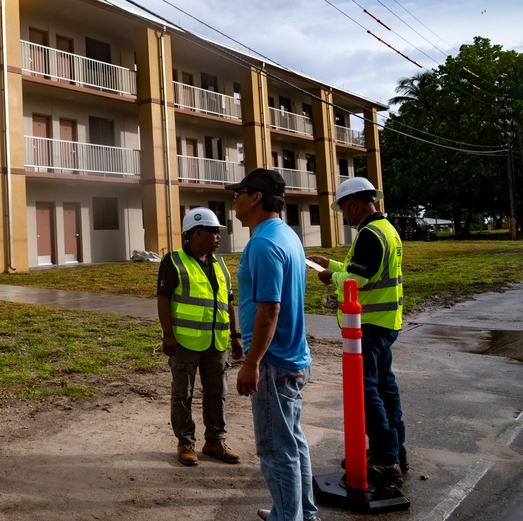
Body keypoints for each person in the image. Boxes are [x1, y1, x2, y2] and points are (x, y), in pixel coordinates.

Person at [229, 169, 318, 521]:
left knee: (275, 448)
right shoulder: (287, 235)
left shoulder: (264, 244)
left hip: (274, 362)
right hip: (292, 357)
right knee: (292, 441)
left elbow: (270, 310)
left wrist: (251, 363)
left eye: (240, 192)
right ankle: (298, 512)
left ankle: (289, 518)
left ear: (255, 198)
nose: (234, 199)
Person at [308, 176, 406, 483]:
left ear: (353, 204)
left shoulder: (369, 234)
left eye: (343, 209)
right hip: (386, 321)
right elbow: (361, 270)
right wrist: (333, 264)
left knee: (367, 390)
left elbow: (357, 281)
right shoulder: (385, 230)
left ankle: (384, 457)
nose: (343, 216)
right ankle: (395, 450)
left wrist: (330, 277)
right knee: (385, 388)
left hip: (370, 325)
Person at [157, 207, 244, 467]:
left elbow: (228, 303)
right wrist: (168, 335)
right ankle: (185, 442)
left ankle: (215, 441)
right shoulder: (173, 262)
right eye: (213, 232)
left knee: (217, 393)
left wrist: (235, 335)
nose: (218, 237)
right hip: (184, 342)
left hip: (216, 343)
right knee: (182, 394)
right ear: (195, 233)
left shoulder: (220, 265)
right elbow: (163, 299)